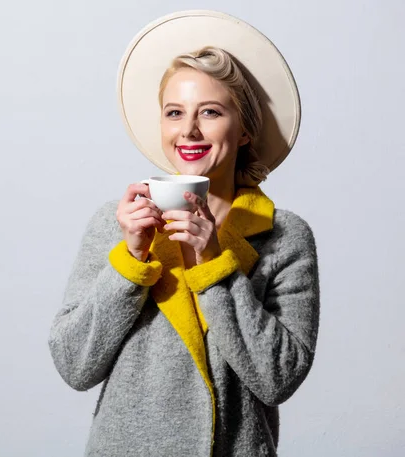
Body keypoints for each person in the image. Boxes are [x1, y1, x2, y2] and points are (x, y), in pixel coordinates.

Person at [48, 10, 320, 457]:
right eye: (175, 113)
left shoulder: (284, 236)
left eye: (210, 112)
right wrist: (131, 262)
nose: (189, 130)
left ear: (246, 129)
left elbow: (278, 378)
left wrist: (215, 265)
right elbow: (75, 366)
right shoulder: (117, 224)